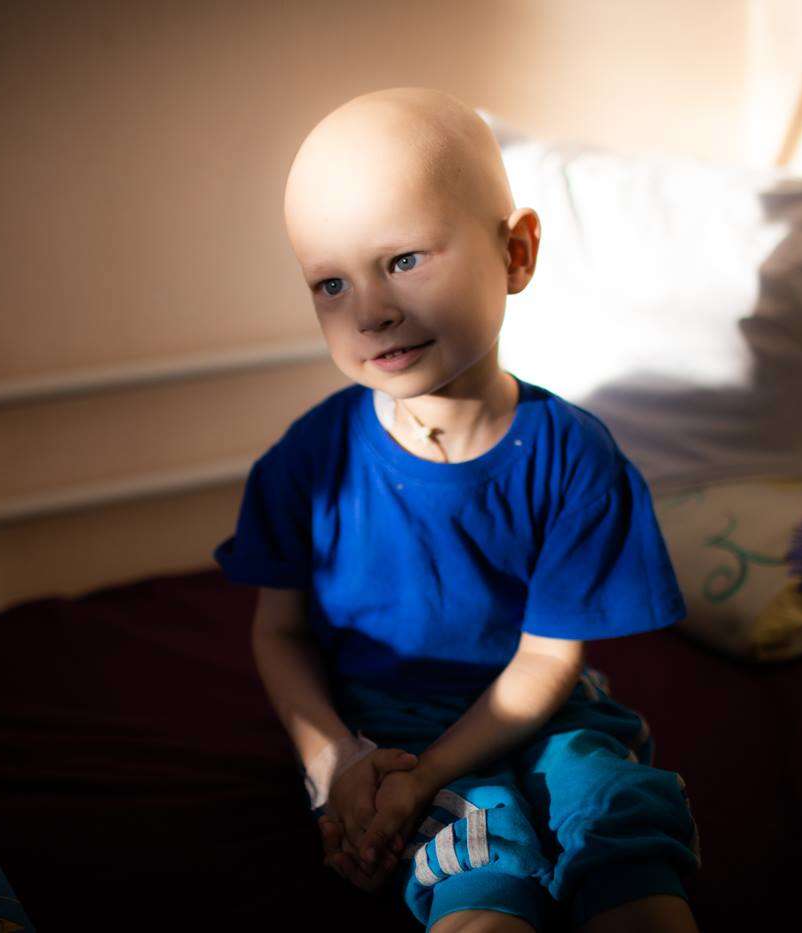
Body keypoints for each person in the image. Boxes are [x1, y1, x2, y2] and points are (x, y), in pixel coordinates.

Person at [214, 87, 700, 933]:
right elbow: (279, 632)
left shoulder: (573, 455)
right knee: (478, 866)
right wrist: (335, 762)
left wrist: (435, 769)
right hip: (384, 728)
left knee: (621, 822)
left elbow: (546, 659)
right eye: (331, 283)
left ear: (516, 252)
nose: (370, 311)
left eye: (404, 259)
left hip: (545, 706)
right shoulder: (309, 462)